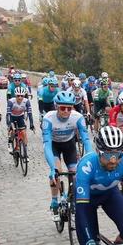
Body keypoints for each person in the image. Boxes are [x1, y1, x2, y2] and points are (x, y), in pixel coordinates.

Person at [42, 90, 92, 219]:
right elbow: (47, 145)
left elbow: (86, 139)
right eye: (62, 108)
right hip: (53, 146)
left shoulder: (77, 117)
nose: (66, 111)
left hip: (69, 145)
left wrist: (91, 158)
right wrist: (52, 168)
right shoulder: (48, 118)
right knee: (57, 171)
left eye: (69, 108)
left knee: (75, 174)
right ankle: (54, 201)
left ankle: (72, 198)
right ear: (56, 107)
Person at [6, 87, 35, 153]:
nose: (20, 97)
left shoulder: (26, 101)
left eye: (22, 96)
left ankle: (25, 152)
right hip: (11, 117)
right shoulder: (11, 101)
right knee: (13, 131)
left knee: (24, 133)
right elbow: (8, 114)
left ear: (24, 96)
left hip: (20, 117)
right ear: (15, 95)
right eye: (18, 96)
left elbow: (30, 113)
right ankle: (10, 143)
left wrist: (31, 124)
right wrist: (10, 124)